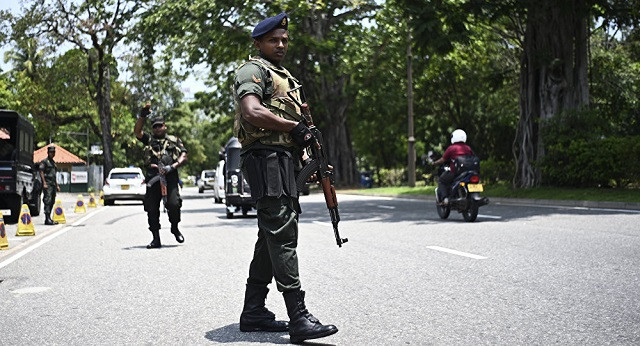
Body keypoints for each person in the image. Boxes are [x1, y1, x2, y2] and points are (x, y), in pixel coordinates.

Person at [233, 12, 338, 344]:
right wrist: (295, 128)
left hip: (282, 159)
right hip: (265, 158)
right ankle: (298, 317)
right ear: (258, 43)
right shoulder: (253, 70)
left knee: (270, 236)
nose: (280, 45)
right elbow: (252, 111)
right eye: (273, 40)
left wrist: (308, 154)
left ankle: (253, 313)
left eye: (284, 40)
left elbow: (295, 124)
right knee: (281, 231)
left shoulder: (285, 77)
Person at [134, 105, 188, 249]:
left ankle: (175, 227)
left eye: (160, 126)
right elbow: (137, 132)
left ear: (165, 127)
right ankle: (155, 238)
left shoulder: (173, 140)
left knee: (174, 204)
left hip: (170, 177)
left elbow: (184, 154)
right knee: (151, 208)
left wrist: (173, 166)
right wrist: (142, 116)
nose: (157, 128)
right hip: (153, 178)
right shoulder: (149, 140)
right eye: (155, 126)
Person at [432, 129, 475, 204]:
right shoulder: (468, 148)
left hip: (455, 172)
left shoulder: (452, 148)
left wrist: (435, 163)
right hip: (469, 172)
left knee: (442, 180)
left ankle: (445, 198)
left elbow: (443, 159)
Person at [39, 145, 60, 225]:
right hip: (47, 184)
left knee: (52, 201)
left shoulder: (53, 162)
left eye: (54, 152)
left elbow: (54, 175)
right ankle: (47, 218)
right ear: (48, 153)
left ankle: (49, 218)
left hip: (53, 184)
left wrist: (57, 185)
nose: (52, 153)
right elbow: (41, 172)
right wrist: (44, 183)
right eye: (51, 152)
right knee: (47, 200)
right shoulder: (45, 162)